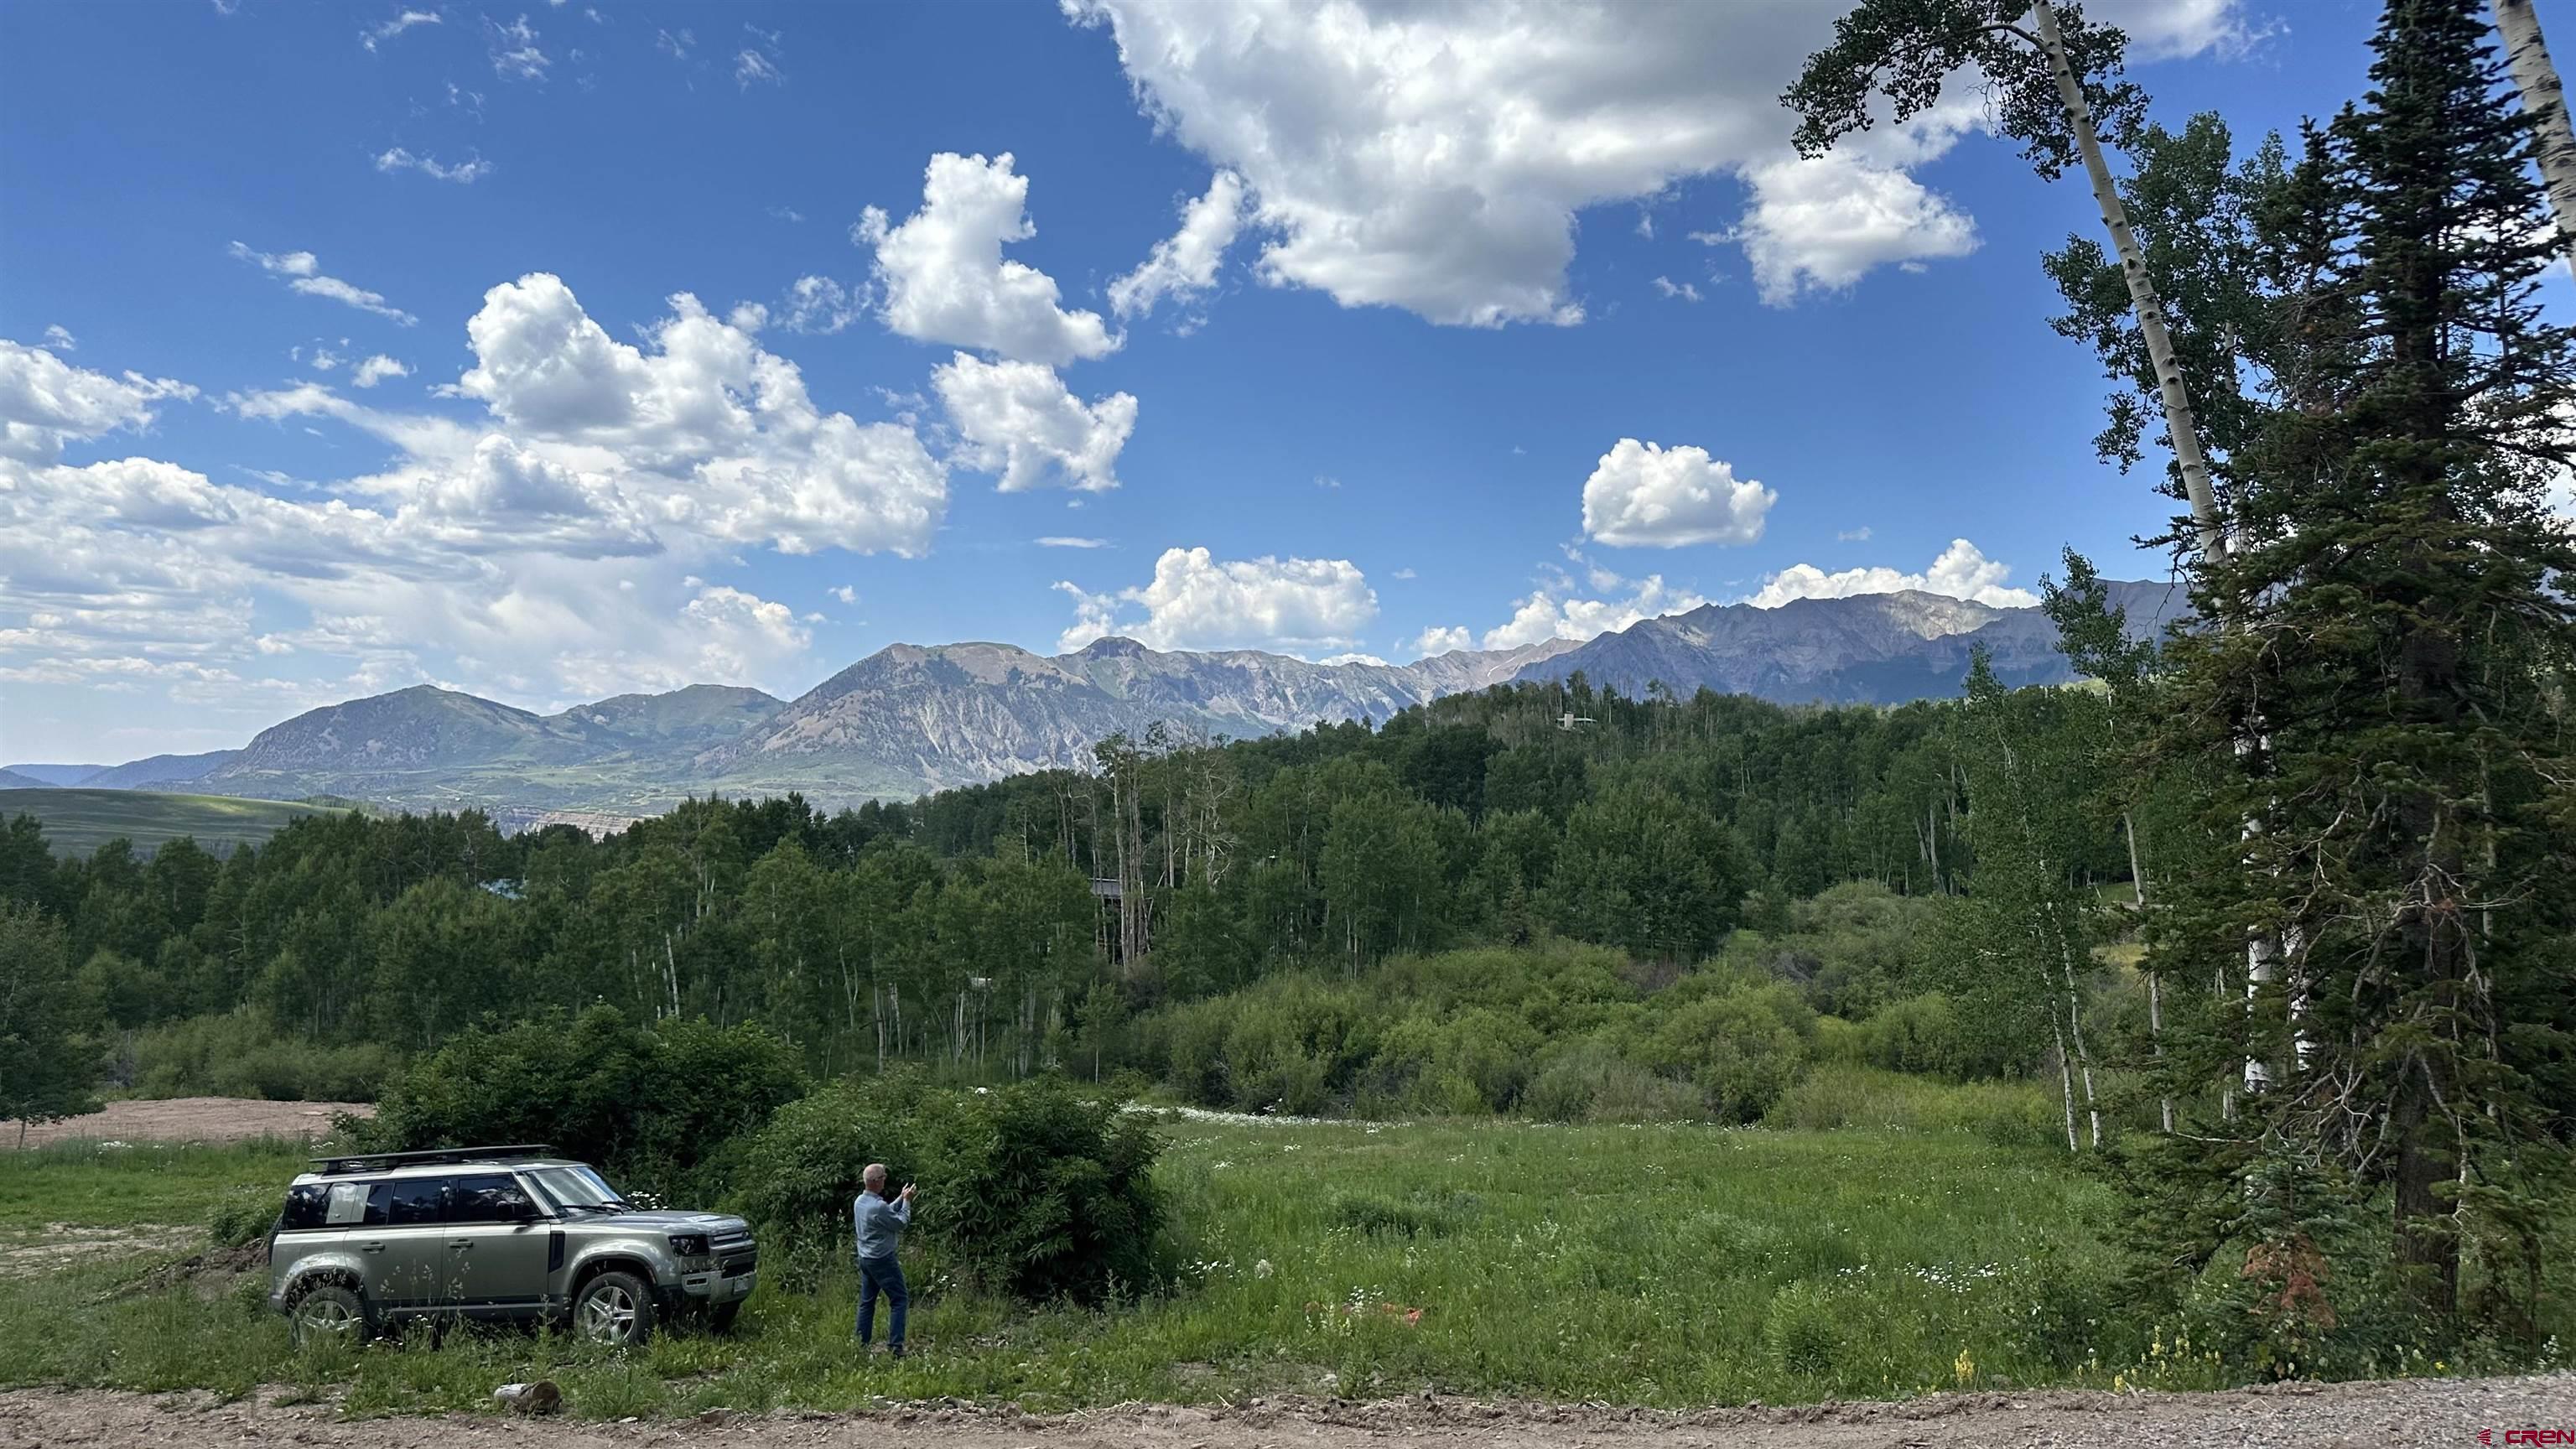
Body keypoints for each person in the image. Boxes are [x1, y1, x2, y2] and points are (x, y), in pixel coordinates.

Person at [851, 1163, 915, 1356]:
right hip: (882, 1260)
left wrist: (901, 1198)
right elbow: (900, 1222)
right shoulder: (877, 1207)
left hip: (866, 1258)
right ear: (877, 1181)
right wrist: (908, 1202)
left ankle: (861, 1344)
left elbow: (886, 1211)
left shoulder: (860, 1201)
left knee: (867, 1302)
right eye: (884, 1177)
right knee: (899, 1299)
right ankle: (896, 1347)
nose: (885, 1179)